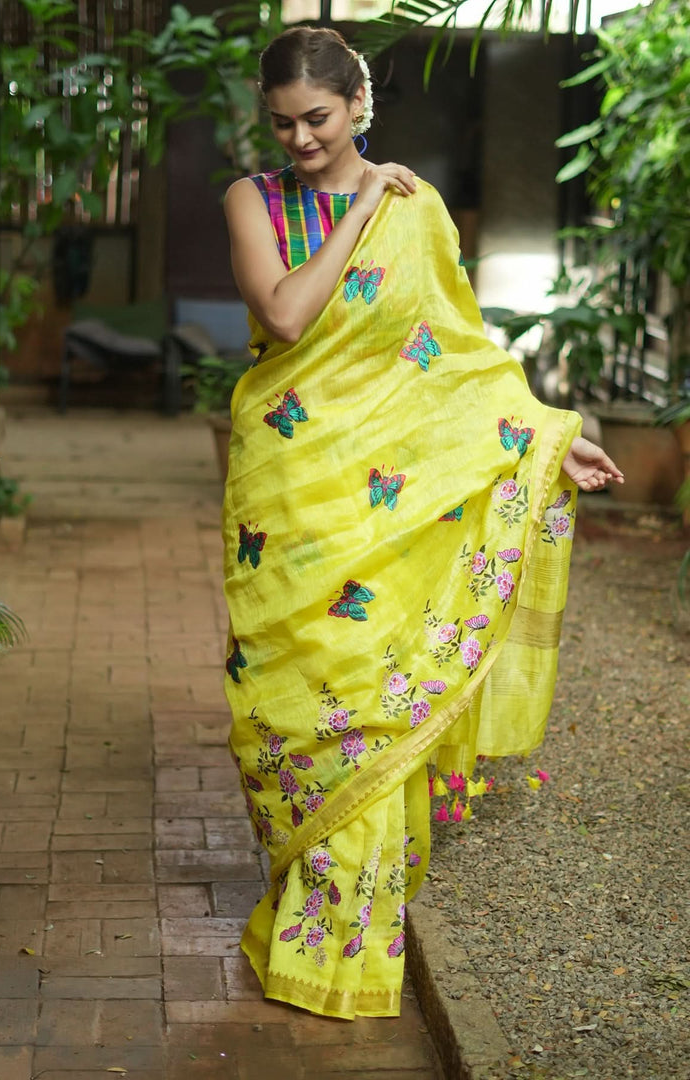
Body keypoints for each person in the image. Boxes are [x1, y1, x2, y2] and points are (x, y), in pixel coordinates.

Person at [222, 25, 623, 1021]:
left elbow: (453, 358)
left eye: (317, 118)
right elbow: (284, 318)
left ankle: (345, 942)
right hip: (292, 497)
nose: (300, 140)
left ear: (358, 103)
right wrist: (358, 204)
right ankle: (307, 900)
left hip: (384, 504)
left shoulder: (423, 212)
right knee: (287, 711)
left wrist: (542, 439)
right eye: (283, 124)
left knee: (370, 705)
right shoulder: (257, 200)